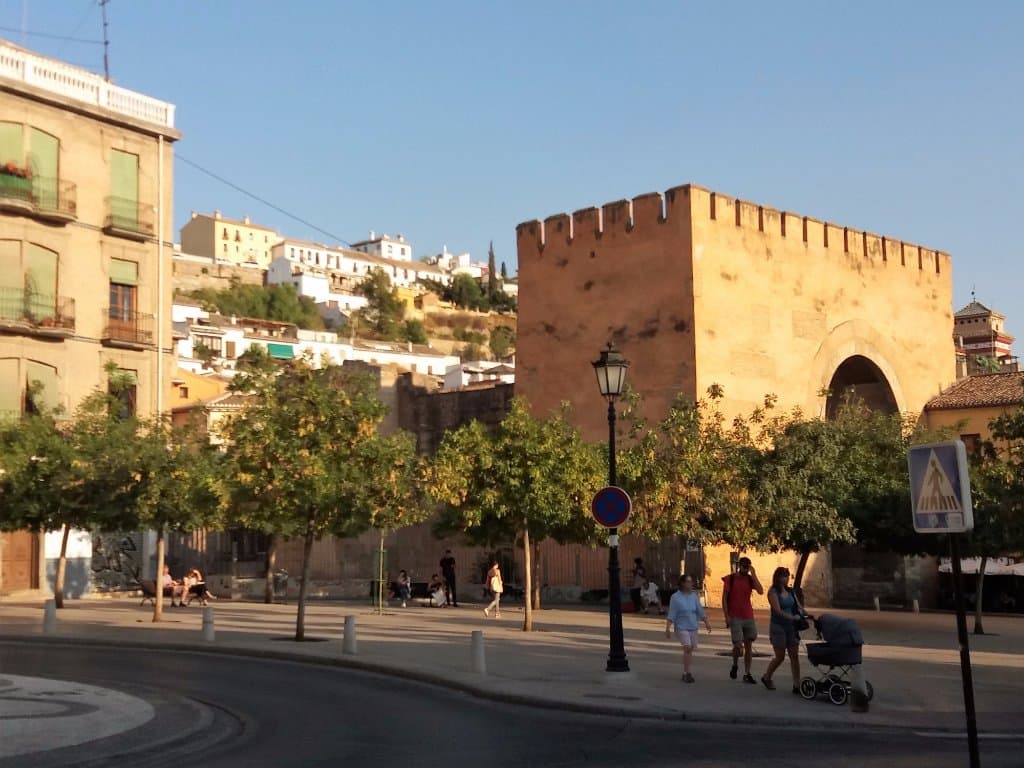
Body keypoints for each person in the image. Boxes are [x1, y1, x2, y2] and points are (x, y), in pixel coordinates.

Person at [761, 566, 812, 694]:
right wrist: (791, 617)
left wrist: (808, 615)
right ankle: (767, 676)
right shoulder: (773, 592)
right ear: (777, 577)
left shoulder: (791, 591)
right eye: (783, 576)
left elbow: (799, 606)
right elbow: (777, 610)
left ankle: (796, 684)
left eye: (787, 575)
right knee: (780, 656)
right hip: (778, 626)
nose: (786, 578)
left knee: (794, 656)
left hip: (791, 627)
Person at [722, 556, 763, 684]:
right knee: (738, 646)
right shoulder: (731, 579)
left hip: (748, 616)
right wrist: (726, 616)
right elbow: (724, 598)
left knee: (749, 645)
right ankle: (735, 664)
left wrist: (754, 574)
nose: (745, 568)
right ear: (739, 566)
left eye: (748, 566)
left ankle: (747, 673)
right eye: (744, 566)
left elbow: (761, 591)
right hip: (735, 616)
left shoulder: (750, 579)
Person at [665, 574, 713, 683]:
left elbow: (699, 610)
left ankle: (687, 670)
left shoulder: (693, 596)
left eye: (691, 582)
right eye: (688, 581)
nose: (690, 584)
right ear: (682, 583)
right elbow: (672, 613)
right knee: (687, 647)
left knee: (690, 649)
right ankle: (686, 673)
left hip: (693, 626)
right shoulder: (675, 597)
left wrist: (706, 622)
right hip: (681, 627)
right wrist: (667, 627)